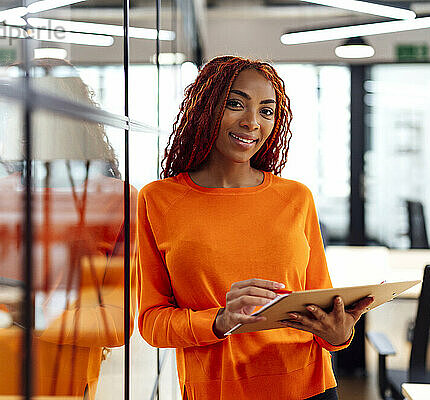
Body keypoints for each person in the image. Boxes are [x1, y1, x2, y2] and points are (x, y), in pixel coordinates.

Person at [137, 55, 373, 399]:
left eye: (266, 111)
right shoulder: (158, 200)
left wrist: (339, 334)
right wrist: (220, 320)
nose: (252, 122)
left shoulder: (296, 197)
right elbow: (152, 324)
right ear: (205, 108)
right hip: (216, 391)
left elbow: (322, 314)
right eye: (236, 104)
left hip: (309, 388)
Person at [0, 59, 136, 399]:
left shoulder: (117, 201)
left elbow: (117, 323)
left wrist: (37, 314)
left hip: (58, 382)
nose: (6, 124)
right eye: (2, 113)